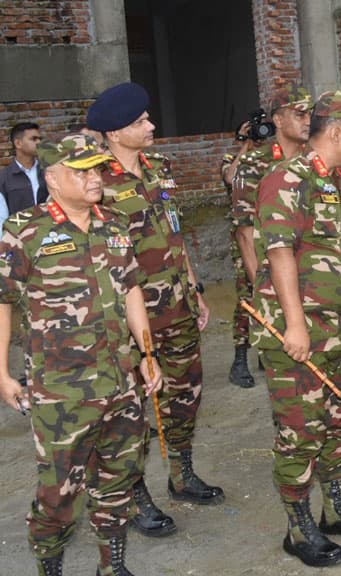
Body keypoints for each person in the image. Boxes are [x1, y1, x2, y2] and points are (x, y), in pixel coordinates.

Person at [0, 134, 163, 576]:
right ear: (52, 179)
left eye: (96, 169)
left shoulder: (112, 224)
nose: (94, 178)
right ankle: (49, 565)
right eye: (82, 171)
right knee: (58, 493)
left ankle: (112, 566)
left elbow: (131, 288)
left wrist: (147, 353)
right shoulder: (25, 231)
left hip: (121, 380)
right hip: (62, 394)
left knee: (119, 478)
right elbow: (2, 301)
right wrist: (3, 374)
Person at [252, 90, 341, 567]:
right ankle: (297, 527)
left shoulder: (334, 182)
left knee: (336, 422)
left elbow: (329, 238)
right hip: (300, 333)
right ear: (336, 132)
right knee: (299, 431)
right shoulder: (286, 177)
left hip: (337, 327)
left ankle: (335, 510)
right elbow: (280, 251)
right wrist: (294, 324)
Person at [87, 81, 220, 538]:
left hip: (177, 303)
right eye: (141, 121)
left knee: (186, 392)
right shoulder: (94, 181)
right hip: (129, 315)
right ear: (115, 132)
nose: (151, 125)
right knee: (131, 406)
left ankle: (181, 475)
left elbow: (173, 233)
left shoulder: (157, 168)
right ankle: (135, 493)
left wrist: (196, 288)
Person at [229, 83, 313, 389]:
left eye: (310, 114)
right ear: (277, 120)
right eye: (299, 114)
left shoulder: (315, 161)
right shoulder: (254, 165)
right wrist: (262, 292)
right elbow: (245, 233)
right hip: (269, 273)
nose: (307, 121)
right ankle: (243, 358)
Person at [1, 122, 47, 223]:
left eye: (40, 139)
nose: (39, 142)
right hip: (19, 234)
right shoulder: (4, 178)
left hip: (50, 233)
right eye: (33, 139)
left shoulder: (48, 171)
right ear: (18, 143)